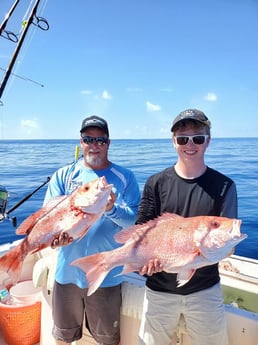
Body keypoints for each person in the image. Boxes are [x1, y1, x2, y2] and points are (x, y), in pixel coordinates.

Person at [137, 109, 238, 345]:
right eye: (183, 139)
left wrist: (225, 248)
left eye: (198, 138)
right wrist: (145, 262)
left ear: (208, 141)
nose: (190, 144)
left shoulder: (224, 186)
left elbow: (228, 244)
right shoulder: (156, 183)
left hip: (205, 291)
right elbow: (141, 230)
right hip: (159, 292)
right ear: (173, 142)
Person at [44, 115, 141, 345]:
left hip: (105, 276)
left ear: (109, 143)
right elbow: (49, 218)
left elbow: (135, 222)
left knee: (107, 340)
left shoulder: (125, 177)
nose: (94, 145)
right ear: (81, 142)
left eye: (100, 140)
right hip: (66, 274)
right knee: (63, 337)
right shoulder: (64, 175)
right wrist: (52, 239)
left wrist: (111, 208)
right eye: (89, 139)